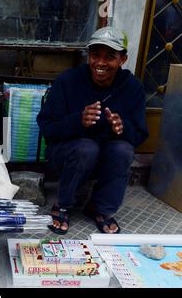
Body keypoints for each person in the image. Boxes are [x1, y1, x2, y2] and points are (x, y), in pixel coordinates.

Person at [37, 27, 149, 235]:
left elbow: (140, 135)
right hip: (66, 156)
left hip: (104, 159)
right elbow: (47, 126)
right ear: (89, 56)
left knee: (123, 150)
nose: (100, 63)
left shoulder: (132, 87)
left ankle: (100, 208)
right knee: (86, 148)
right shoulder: (68, 80)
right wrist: (78, 121)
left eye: (110, 57)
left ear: (122, 59)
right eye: (95, 55)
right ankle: (63, 204)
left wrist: (123, 128)